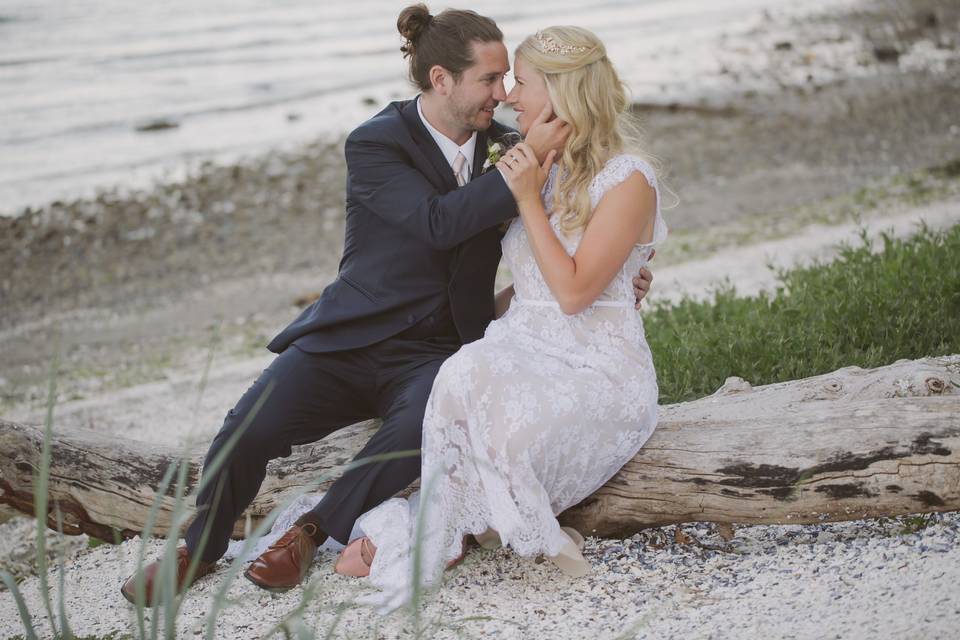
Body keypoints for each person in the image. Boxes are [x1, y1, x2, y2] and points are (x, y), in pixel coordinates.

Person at [119, 5, 654, 605]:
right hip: (351, 339)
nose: (503, 95)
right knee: (249, 423)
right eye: (488, 80)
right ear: (441, 80)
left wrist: (618, 274)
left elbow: (573, 231)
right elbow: (437, 222)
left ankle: (310, 531)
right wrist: (522, 170)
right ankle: (197, 547)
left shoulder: (510, 146)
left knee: (414, 434)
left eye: (510, 80)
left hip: (441, 348)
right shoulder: (377, 143)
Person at [329, 23, 667, 614]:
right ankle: (453, 527)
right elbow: (533, 285)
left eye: (524, 83)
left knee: (509, 426)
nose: (510, 95)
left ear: (562, 94)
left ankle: (447, 529)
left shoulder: (627, 178)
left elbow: (572, 295)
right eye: (505, 81)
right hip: (527, 341)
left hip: (597, 367)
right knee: (462, 373)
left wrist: (529, 198)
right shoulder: (539, 163)